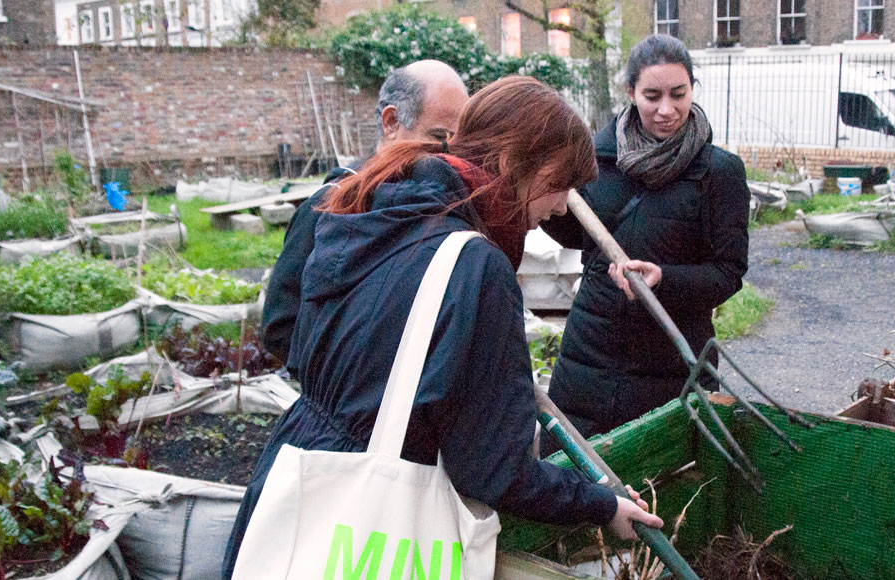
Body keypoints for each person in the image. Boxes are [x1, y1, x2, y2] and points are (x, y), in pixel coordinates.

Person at [223, 76, 663, 578]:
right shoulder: (474, 266)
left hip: (292, 478)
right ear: (517, 162)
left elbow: (297, 341)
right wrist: (601, 506)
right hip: (374, 527)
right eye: (560, 182)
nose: (563, 205)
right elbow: (494, 470)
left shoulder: (365, 205)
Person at [540, 34, 750, 443]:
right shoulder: (596, 157)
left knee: (665, 482)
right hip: (589, 355)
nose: (666, 110)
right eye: (652, 95)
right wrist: (546, 189)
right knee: (572, 473)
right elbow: (573, 233)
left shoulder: (718, 173)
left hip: (672, 359)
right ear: (630, 92)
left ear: (693, 89)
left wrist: (664, 279)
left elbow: (728, 273)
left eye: (678, 94)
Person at [260, 60, 470, 366]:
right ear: (392, 122)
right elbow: (280, 329)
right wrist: (364, 376)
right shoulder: (329, 207)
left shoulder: (450, 202)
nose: (449, 154)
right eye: (438, 137)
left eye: (457, 142)